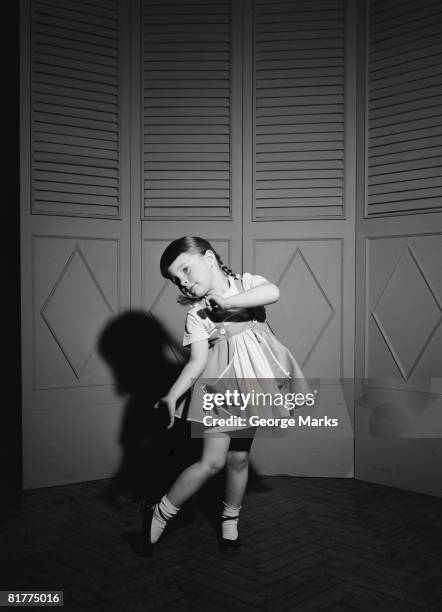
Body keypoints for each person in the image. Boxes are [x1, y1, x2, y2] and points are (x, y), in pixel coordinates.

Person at [139, 236, 311, 556]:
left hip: (254, 383)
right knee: (212, 462)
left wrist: (231, 303)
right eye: (177, 280)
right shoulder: (197, 314)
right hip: (223, 390)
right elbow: (197, 362)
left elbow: (272, 292)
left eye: (186, 270)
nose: (184, 283)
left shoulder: (247, 284)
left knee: (239, 457)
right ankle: (161, 511)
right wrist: (172, 395)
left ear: (209, 258)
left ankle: (230, 520)